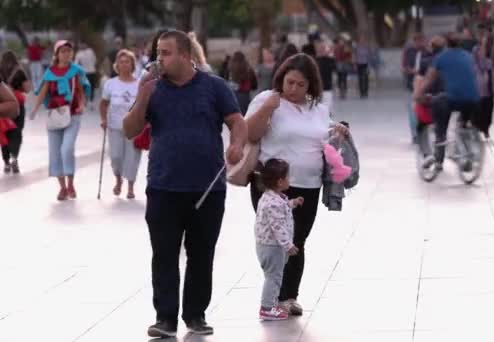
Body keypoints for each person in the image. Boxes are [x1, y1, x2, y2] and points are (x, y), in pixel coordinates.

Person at [122, 30, 246, 338]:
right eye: (158, 52)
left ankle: (195, 315)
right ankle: (165, 318)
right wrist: (142, 97)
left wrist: (237, 145)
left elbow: (237, 121)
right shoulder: (152, 89)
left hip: (207, 188)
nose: (158, 59)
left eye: (165, 52)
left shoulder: (214, 87)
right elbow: (128, 129)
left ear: (186, 56)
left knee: (201, 254)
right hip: (164, 186)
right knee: (164, 254)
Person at [246, 53, 349, 317]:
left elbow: (322, 135)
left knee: (297, 241)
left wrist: (338, 131)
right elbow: (249, 133)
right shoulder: (267, 99)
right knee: (276, 242)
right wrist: (268, 107)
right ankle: (273, 296)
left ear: (310, 86)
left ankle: (289, 297)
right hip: (271, 186)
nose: (293, 89)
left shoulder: (318, 108)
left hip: (308, 185)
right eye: (289, 82)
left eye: (300, 85)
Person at [30, 40, 91, 201]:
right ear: (56, 54)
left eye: (69, 51)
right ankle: (62, 188)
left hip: (72, 114)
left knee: (67, 149)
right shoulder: (50, 72)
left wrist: (82, 105)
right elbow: (43, 92)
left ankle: (71, 183)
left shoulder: (76, 71)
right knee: (55, 153)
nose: (66, 54)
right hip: (54, 116)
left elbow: (80, 90)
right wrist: (35, 110)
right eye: (63, 51)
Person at [414, 33, 481, 170]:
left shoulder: (442, 58)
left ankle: (440, 142)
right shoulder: (468, 56)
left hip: (453, 98)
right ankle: (466, 151)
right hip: (474, 98)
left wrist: (418, 94)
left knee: (438, 105)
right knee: (462, 124)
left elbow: (428, 80)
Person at [254, 158, 303, 321]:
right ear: (280, 181)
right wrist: (288, 245)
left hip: (268, 245)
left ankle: (271, 304)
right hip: (272, 247)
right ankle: (267, 308)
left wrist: (292, 203)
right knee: (273, 277)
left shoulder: (272, 197)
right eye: (288, 177)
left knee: (274, 276)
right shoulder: (273, 203)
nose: (290, 180)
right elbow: (277, 227)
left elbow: (281, 208)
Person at [99, 49, 141, 199]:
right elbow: (103, 104)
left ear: (132, 64)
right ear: (117, 65)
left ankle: (130, 186)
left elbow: (144, 104)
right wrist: (103, 119)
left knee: (132, 157)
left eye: (127, 62)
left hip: (134, 127)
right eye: (121, 62)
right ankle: (118, 179)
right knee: (116, 156)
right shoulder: (110, 84)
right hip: (115, 126)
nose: (124, 65)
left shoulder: (139, 83)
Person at [0, 51, 31, 173]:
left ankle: (6, 162)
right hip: (16, 106)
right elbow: (27, 89)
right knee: (16, 132)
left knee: (4, 133)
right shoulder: (19, 71)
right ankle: (14, 159)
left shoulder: (0, 70)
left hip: (3, 108)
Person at [473, 39, 494, 139]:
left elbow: (493, 76)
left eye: (483, 50)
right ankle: (477, 130)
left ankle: (486, 129)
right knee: (477, 114)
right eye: (479, 51)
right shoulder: (472, 64)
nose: (482, 53)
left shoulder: (489, 62)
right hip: (476, 94)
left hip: (488, 92)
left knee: (488, 113)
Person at [315, 41, 336, 113]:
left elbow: (334, 68)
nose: (323, 50)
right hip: (318, 87)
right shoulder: (315, 61)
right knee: (319, 106)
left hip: (327, 87)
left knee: (327, 105)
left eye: (324, 49)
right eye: (321, 49)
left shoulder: (330, 60)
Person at [75, 42, 98, 107]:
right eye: (81, 45)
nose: (82, 46)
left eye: (83, 44)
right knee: (85, 87)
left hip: (91, 71)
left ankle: (91, 101)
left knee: (92, 87)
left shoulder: (90, 51)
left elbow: (95, 60)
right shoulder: (79, 54)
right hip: (85, 73)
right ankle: (86, 100)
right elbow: (76, 64)